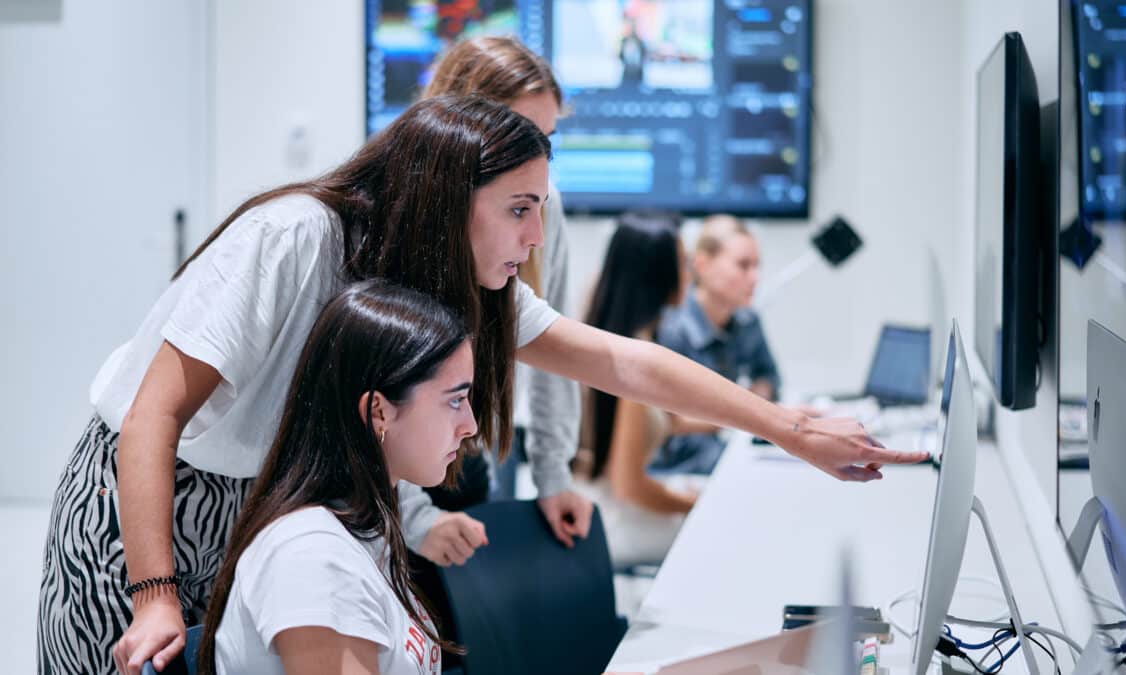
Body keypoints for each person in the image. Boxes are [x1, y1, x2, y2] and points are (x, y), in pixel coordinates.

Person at [41, 95, 921, 675]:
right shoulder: (295, 238)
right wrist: (152, 590)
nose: (535, 237)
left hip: (258, 499)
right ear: (446, 197)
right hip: (144, 487)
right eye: (520, 208)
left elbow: (620, 360)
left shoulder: (449, 283)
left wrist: (787, 427)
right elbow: (153, 415)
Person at [198, 281, 474, 674]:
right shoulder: (313, 557)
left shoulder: (361, 532)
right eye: (455, 400)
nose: (470, 426)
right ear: (379, 411)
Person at [413, 36, 587, 554]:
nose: (539, 164)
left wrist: (554, 475)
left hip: (467, 459)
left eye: (548, 141)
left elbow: (562, 349)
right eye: (523, 136)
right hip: (383, 487)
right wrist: (411, 515)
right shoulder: (405, 214)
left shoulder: (543, 209)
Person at [573, 211, 700, 568]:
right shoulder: (633, 363)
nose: (690, 276)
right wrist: (693, 503)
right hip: (609, 520)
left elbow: (665, 420)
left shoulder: (613, 337)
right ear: (657, 275)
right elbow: (629, 485)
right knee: (720, 527)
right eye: (684, 264)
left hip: (599, 504)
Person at [653, 214, 780, 473]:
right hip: (677, 469)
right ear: (702, 265)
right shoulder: (671, 329)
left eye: (757, 266)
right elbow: (668, 421)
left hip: (722, 453)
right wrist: (750, 413)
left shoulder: (748, 320)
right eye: (743, 265)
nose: (755, 277)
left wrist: (761, 393)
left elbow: (769, 374)